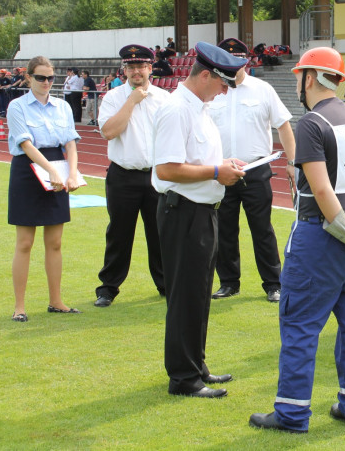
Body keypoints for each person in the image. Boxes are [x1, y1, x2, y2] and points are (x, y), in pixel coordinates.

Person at [249, 47, 345, 433]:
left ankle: (292, 414)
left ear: (310, 77)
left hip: (318, 237)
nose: (297, 83)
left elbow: (322, 191)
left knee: (300, 325)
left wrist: (343, 229)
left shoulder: (310, 123)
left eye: (298, 76)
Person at [152, 41, 248, 398]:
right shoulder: (177, 110)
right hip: (184, 211)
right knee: (186, 296)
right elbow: (167, 168)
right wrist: (214, 172)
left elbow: (194, 162)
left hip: (201, 211)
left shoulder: (199, 108)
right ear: (205, 75)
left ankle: (195, 365)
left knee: (199, 295)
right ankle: (183, 378)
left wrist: (223, 169)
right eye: (223, 82)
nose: (225, 90)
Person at [208, 37, 296, 302]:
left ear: (246, 61)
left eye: (237, 61)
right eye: (226, 61)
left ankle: (273, 283)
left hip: (256, 170)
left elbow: (284, 126)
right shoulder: (213, 91)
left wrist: (292, 163)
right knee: (224, 230)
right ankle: (229, 282)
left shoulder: (263, 89)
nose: (232, 67)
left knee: (262, 229)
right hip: (222, 171)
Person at [93, 45, 170, 308]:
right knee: (119, 233)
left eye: (141, 66)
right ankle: (108, 288)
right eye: (131, 67)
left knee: (160, 233)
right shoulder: (114, 97)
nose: (136, 71)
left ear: (151, 68)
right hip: (123, 176)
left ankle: (165, 284)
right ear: (124, 70)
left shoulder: (164, 98)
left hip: (155, 175)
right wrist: (132, 101)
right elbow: (109, 132)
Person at [7, 56, 82, 322]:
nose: (46, 82)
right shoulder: (16, 106)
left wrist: (71, 172)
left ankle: (56, 301)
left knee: (55, 242)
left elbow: (70, 142)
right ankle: (19, 307)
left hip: (57, 168)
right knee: (25, 242)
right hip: (28, 171)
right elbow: (25, 144)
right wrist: (51, 170)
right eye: (40, 77)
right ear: (28, 78)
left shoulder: (62, 107)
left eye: (51, 77)